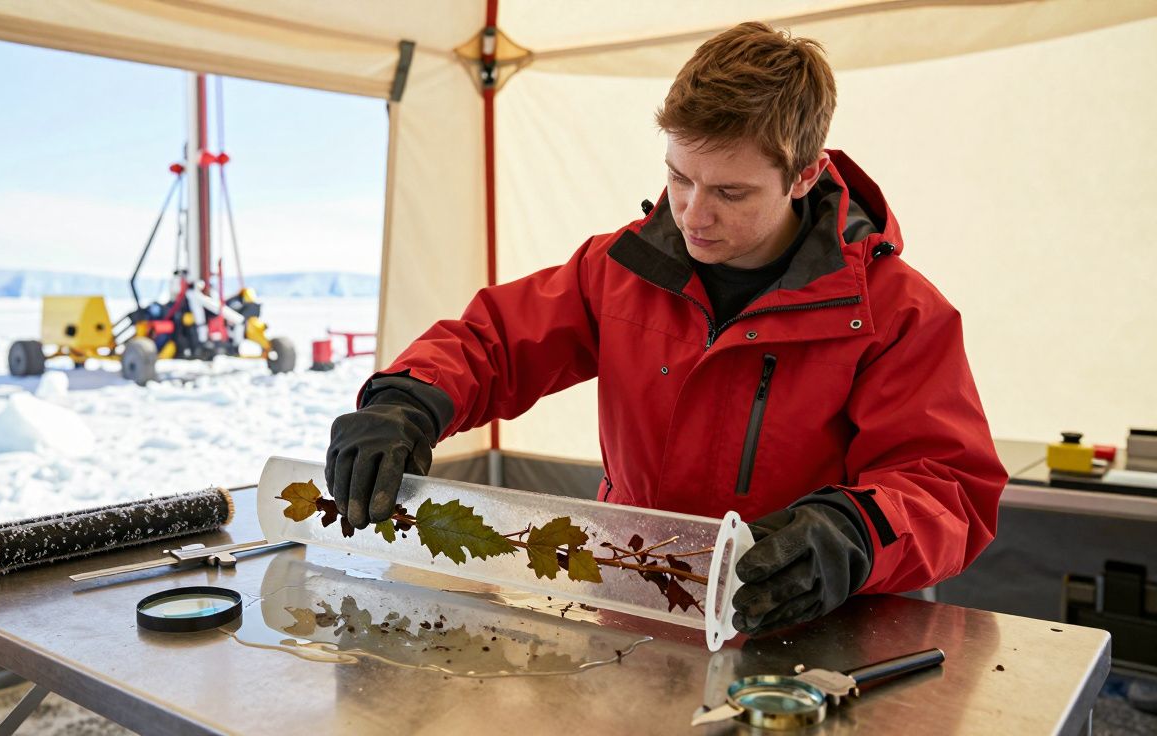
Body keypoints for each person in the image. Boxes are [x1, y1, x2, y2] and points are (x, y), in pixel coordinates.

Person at [325, 21, 1007, 636]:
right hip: (631, 612)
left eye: (730, 193)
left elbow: (945, 484)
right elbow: (495, 341)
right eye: (680, 178)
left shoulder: (896, 312)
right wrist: (407, 400)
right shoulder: (621, 268)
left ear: (805, 176)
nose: (693, 215)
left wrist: (851, 534)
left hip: (808, 633)